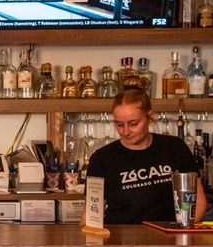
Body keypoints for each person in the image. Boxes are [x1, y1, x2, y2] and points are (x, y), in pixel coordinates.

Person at [80, 87, 206, 225]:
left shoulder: (175, 148)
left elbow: (198, 202)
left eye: (133, 124)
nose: (126, 131)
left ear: (150, 116)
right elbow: (92, 215)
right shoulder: (102, 158)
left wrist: (181, 232)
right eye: (119, 124)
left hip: (169, 237)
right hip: (120, 240)